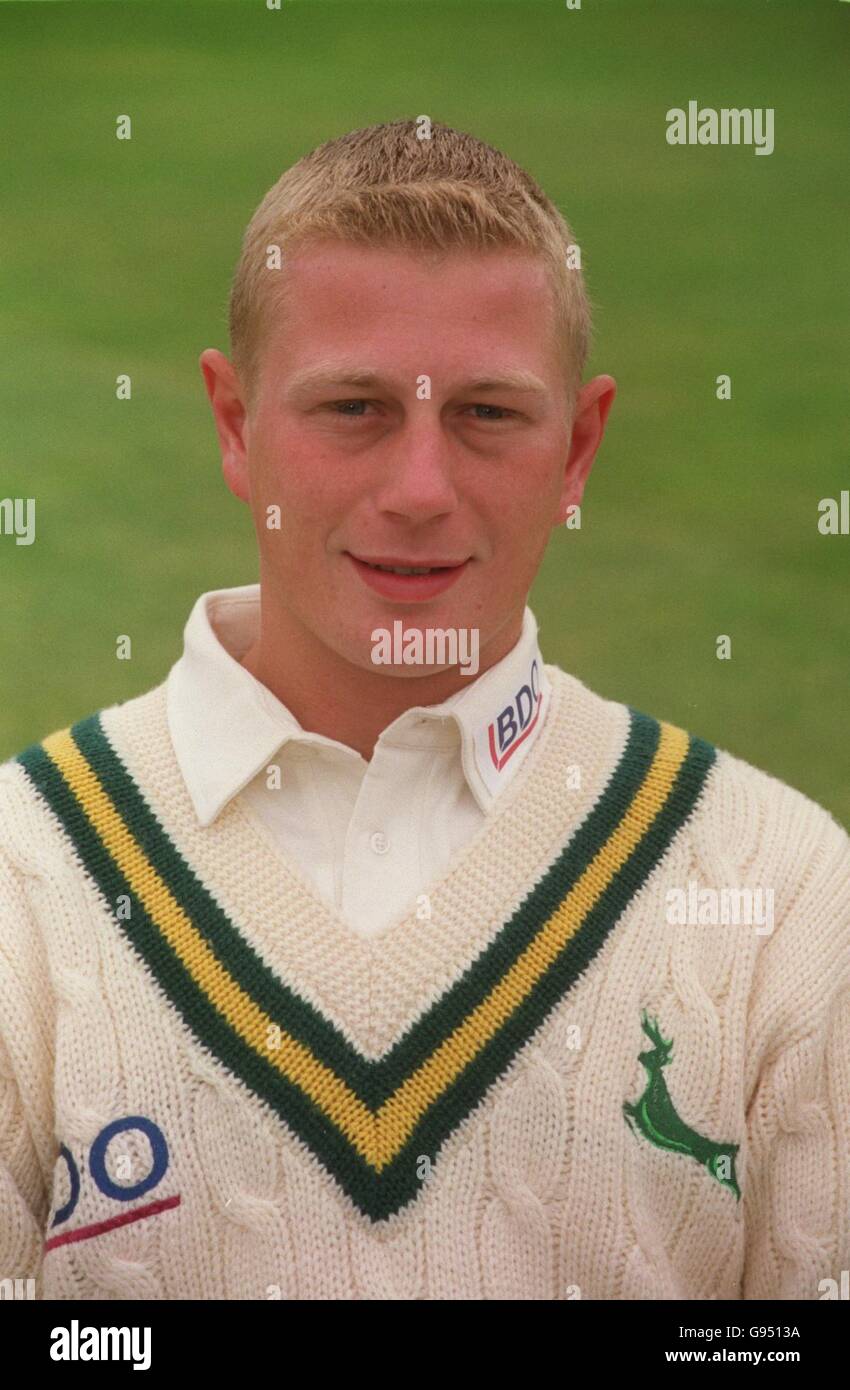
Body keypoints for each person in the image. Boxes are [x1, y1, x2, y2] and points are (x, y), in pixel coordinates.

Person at [1, 119, 847, 1302]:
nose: (417, 491)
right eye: (353, 408)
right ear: (235, 424)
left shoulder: (789, 895)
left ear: (578, 448)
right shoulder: (24, 883)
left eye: (488, 415)